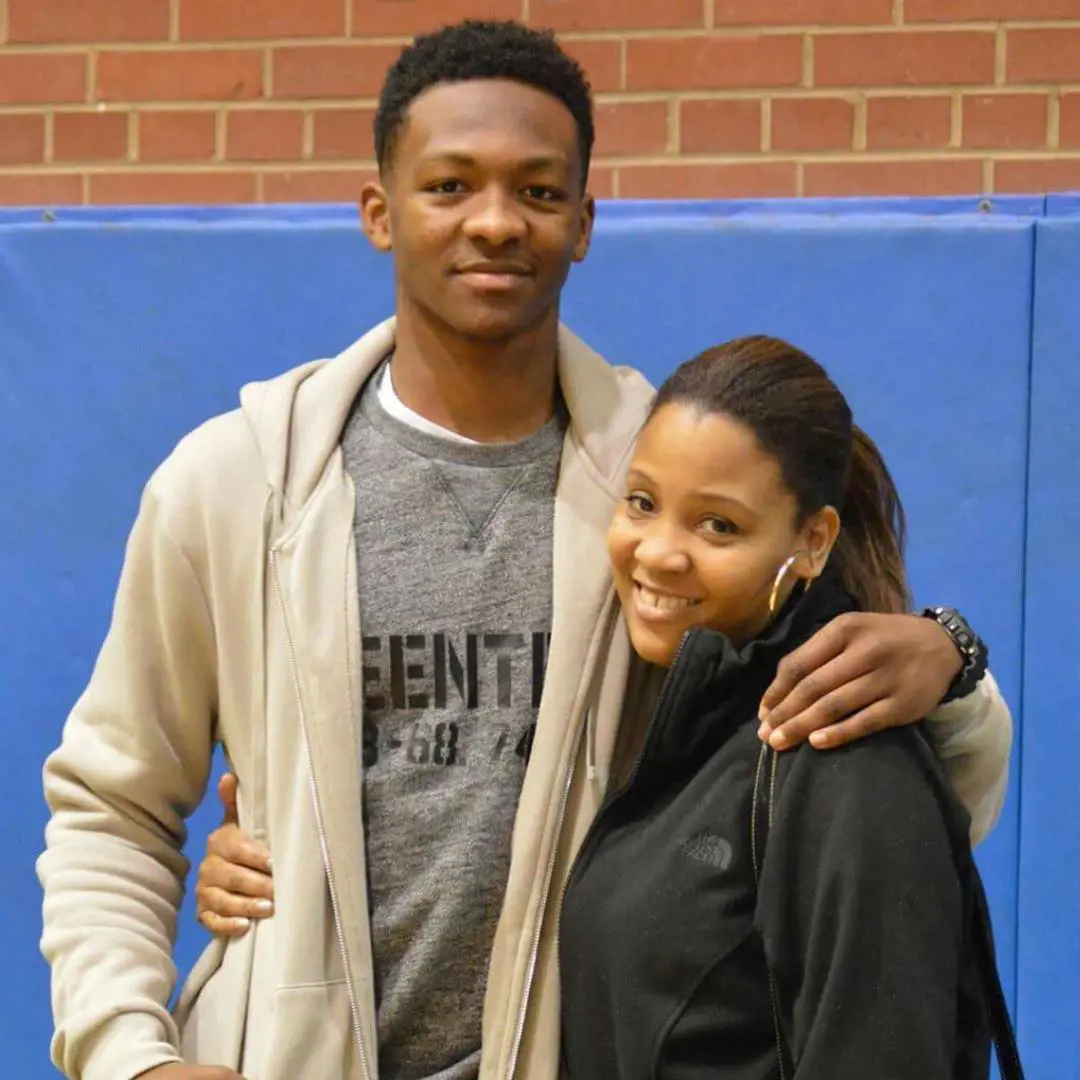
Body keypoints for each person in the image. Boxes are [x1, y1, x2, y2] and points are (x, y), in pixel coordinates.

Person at [36, 19, 1012, 1080]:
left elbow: (893, 802)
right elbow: (111, 807)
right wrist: (133, 1057)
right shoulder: (232, 487)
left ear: (585, 222)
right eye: (449, 186)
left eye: (539, 193)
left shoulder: (656, 492)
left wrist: (950, 663)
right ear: (379, 213)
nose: (495, 222)